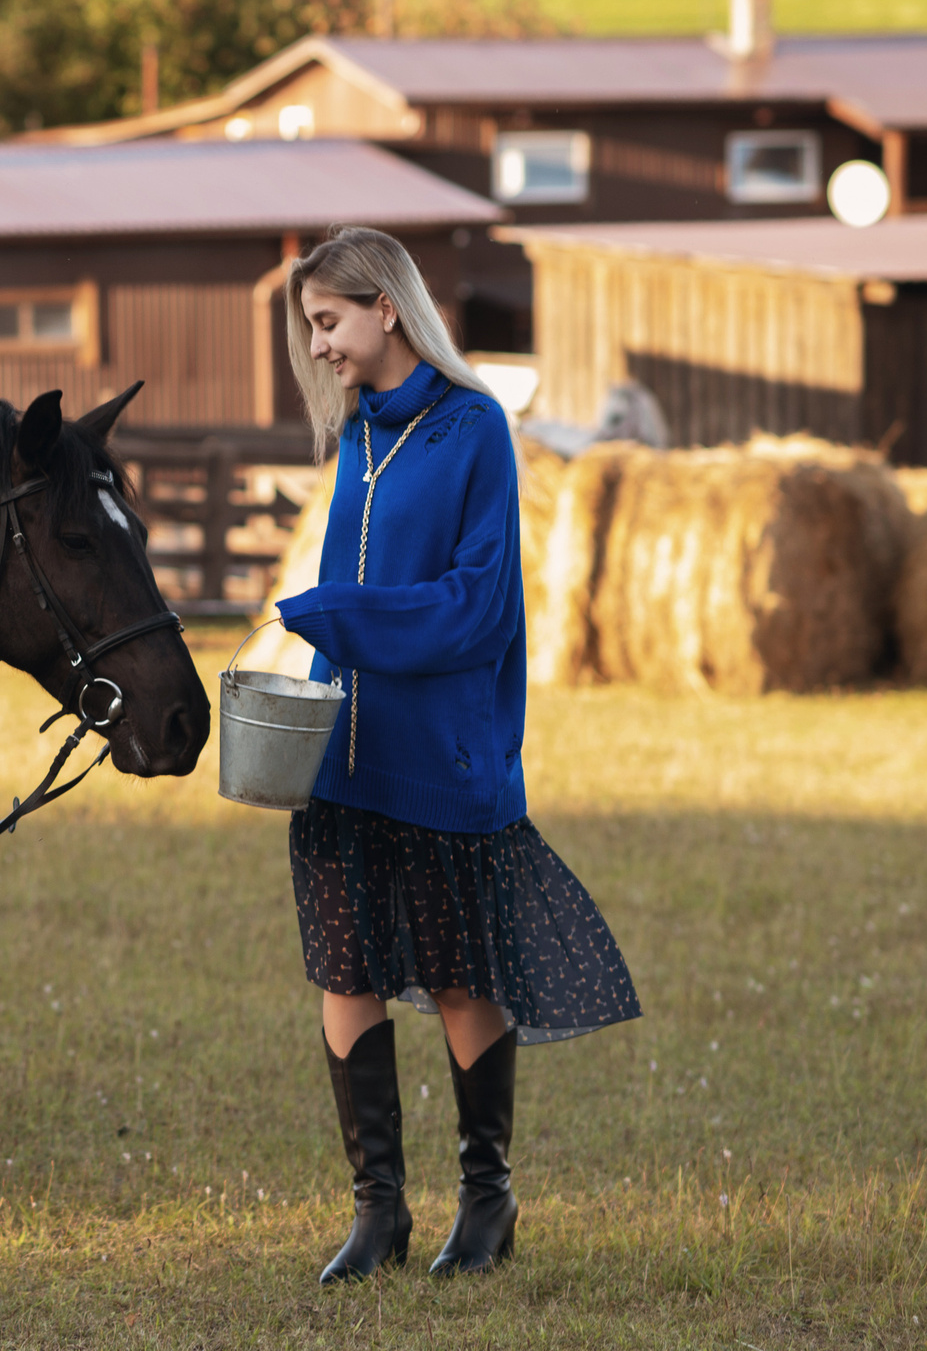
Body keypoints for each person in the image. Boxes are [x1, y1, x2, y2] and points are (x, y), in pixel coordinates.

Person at [270, 227, 639, 1283]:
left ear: (387, 307)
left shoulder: (473, 427)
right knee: (345, 968)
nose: (320, 346)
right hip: (343, 751)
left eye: (328, 321)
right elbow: (350, 596)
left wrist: (334, 613)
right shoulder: (354, 435)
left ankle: (488, 1200)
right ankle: (375, 1212)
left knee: (458, 971)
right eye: (310, 327)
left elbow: (476, 611)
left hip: (444, 756)